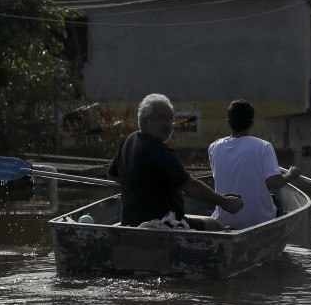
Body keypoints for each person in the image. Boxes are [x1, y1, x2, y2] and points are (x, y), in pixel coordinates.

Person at [108, 93, 242, 229]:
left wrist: (142, 189)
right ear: (146, 120)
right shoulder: (158, 150)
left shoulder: (129, 140)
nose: (168, 125)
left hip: (130, 222)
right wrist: (225, 202)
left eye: (170, 119)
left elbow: (113, 175)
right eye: (162, 118)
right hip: (162, 224)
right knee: (215, 226)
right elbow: (191, 186)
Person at [207, 100, 300, 230]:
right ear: (251, 123)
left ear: (229, 122)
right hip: (259, 222)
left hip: (224, 221)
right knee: (277, 202)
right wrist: (290, 174)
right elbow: (273, 183)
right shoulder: (263, 147)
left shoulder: (214, 147)